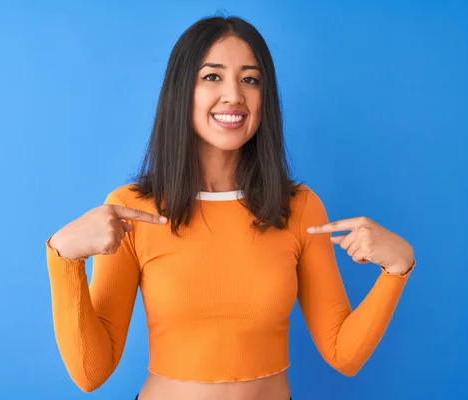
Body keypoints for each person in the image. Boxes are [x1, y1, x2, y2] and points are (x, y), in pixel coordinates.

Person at [45, 15, 416, 400]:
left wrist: (397, 267)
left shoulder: (299, 208)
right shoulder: (130, 209)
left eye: (250, 79)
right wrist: (63, 257)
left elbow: (344, 354)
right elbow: (91, 372)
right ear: (181, 90)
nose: (235, 95)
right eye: (212, 77)